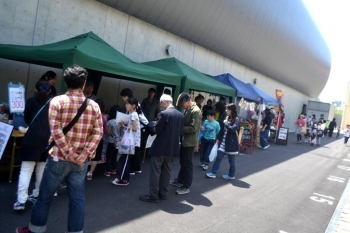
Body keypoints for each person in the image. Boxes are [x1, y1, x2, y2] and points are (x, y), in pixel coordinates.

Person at [16, 65, 103, 233]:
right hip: (80, 162)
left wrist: (68, 153)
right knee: (77, 200)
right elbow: (98, 133)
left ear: (65, 82)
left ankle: (36, 229)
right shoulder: (94, 106)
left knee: (44, 197)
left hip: (58, 158)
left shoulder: (57, 101)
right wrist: (83, 154)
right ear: (84, 84)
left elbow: (55, 132)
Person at [13, 80, 52, 211]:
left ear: (35, 90)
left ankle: (21, 201)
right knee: (41, 171)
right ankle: (36, 195)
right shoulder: (53, 104)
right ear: (50, 91)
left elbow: (27, 119)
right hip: (46, 140)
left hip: (31, 139)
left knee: (26, 170)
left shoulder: (30, 101)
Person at [139, 94, 184, 203]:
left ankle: (153, 195)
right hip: (172, 147)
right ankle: (163, 193)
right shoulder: (180, 115)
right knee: (166, 170)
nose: (160, 106)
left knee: (155, 171)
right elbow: (180, 132)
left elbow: (156, 130)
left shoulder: (164, 114)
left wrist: (150, 125)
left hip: (160, 147)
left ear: (164, 102)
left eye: (161, 103)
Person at [169, 93, 201, 195]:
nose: (182, 107)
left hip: (189, 142)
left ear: (188, 101)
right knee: (183, 162)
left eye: (182, 105)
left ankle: (186, 186)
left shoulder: (196, 111)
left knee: (187, 165)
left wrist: (179, 129)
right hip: (184, 140)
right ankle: (180, 180)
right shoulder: (188, 109)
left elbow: (193, 128)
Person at [206, 104, 240, 179]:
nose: (226, 111)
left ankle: (231, 175)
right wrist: (218, 138)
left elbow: (232, 129)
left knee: (231, 160)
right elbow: (222, 129)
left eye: (227, 109)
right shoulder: (227, 118)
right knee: (218, 157)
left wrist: (226, 123)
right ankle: (213, 172)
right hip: (223, 142)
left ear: (231, 110)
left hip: (231, 143)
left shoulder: (236, 119)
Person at [112, 98, 141, 186]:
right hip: (132, 142)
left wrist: (123, 126)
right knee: (126, 160)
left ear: (133, 106)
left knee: (125, 160)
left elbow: (135, 129)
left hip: (130, 142)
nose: (126, 105)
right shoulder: (134, 114)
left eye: (128, 104)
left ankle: (123, 180)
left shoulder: (133, 115)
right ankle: (123, 178)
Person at [119, 88, 148, 175]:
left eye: (123, 97)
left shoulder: (132, 108)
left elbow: (132, 120)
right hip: (140, 129)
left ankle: (132, 169)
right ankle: (137, 168)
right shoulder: (134, 104)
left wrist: (124, 125)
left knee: (134, 150)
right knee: (137, 150)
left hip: (139, 129)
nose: (122, 99)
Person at [86, 98, 108, 180]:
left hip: (88, 138)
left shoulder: (89, 115)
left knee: (85, 155)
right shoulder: (104, 117)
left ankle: (82, 172)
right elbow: (105, 130)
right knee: (95, 157)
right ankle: (90, 173)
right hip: (99, 139)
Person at [103, 105, 121, 177]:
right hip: (118, 141)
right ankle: (114, 169)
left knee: (109, 156)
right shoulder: (120, 122)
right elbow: (122, 132)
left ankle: (108, 171)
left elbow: (108, 132)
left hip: (110, 141)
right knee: (115, 155)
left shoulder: (110, 122)